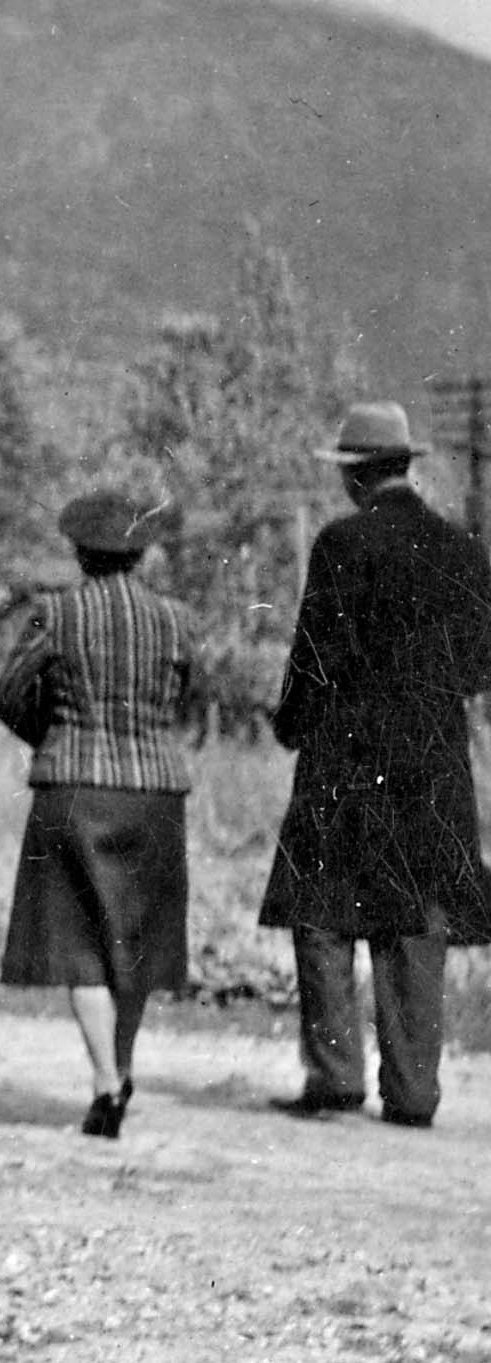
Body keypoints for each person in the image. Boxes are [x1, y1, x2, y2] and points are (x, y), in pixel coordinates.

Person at [259, 401, 491, 1129]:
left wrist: (290, 722)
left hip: (345, 758)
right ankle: (415, 1092)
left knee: (322, 908)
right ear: (405, 465)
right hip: (431, 762)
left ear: (355, 475)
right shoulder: (461, 548)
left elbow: (313, 657)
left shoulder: (341, 544)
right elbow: (481, 663)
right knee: (417, 917)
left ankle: (333, 1079)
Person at [0, 489, 196, 1139]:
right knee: (134, 943)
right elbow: (185, 698)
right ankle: (124, 1065)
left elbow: (8, 696)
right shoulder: (176, 620)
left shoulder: (54, 614)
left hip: (73, 789)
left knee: (79, 945)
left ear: (80, 552)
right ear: (140, 553)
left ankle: (107, 1080)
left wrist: (53, 735)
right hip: (155, 790)